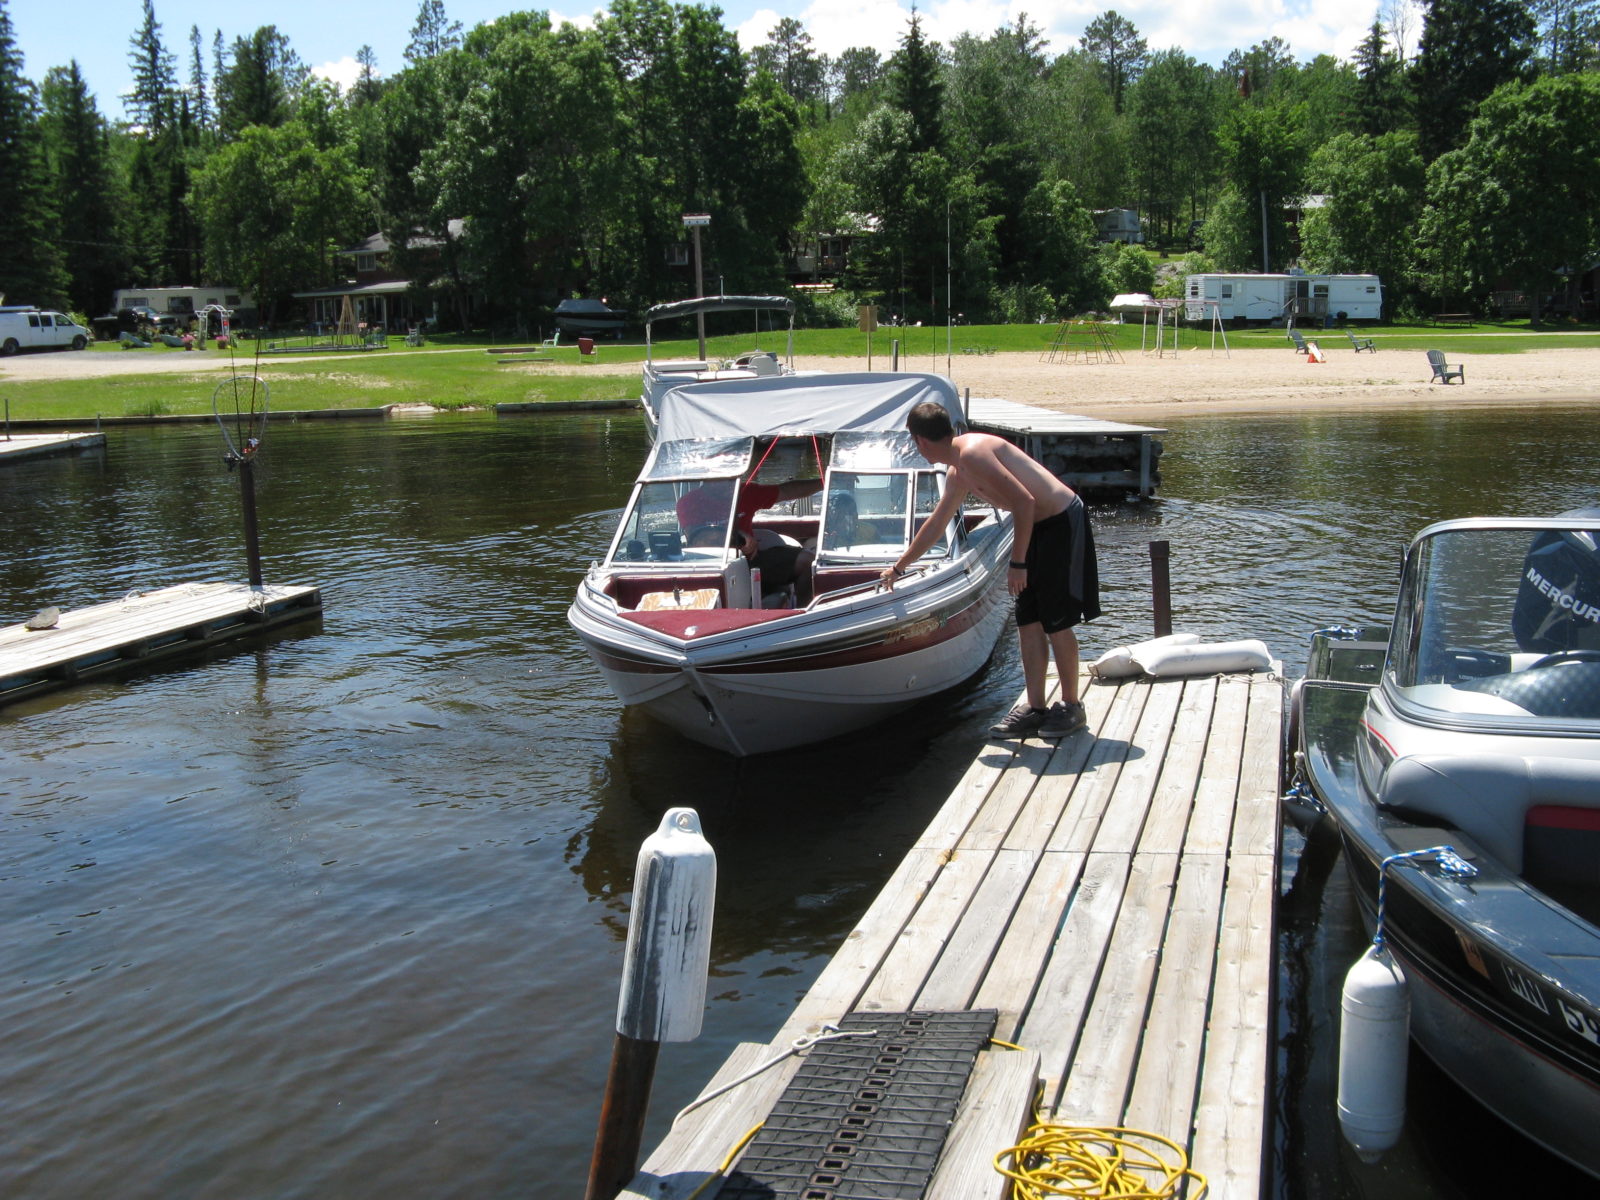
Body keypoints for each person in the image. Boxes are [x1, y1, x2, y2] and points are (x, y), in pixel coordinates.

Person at [882, 400, 1100, 738]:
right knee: (1029, 620)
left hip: (1060, 521)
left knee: (1056, 620)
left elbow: (1024, 501)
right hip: (1034, 527)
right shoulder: (958, 470)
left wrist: (1018, 563)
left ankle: (1072, 706)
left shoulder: (972, 453)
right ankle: (1036, 707)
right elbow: (938, 523)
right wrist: (899, 567)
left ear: (920, 441)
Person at [677, 474, 824, 604]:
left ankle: (800, 610)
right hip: (710, 565)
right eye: (722, 478)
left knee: (808, 562)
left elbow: (785, 491)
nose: (729, 482)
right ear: (708, 478)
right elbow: (697, 538)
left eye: (731, 477)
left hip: (751, 561)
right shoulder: (689, 502)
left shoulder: (744, 491)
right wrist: (737, 535)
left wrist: (825, 481)